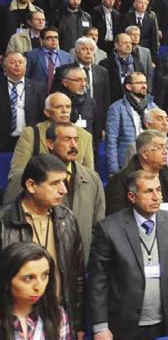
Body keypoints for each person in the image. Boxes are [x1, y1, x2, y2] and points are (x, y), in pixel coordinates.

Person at [87, 169, 168, 339]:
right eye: (149, 191)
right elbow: (98, 280)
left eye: (158, 190)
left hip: (167, 321)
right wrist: (100, 326)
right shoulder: (108, 229)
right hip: (124, 323)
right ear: (131, 197)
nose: (157, 197)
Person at [0, 155, 84, 334]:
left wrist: (78, 323)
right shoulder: (3, 222)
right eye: (55, 184)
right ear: (31, 185)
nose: (63, 190)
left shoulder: (67, 219)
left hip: (57, 318)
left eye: (64, 182)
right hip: (11, 322)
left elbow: (76, 276)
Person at [3, 122, 105, 263]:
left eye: (76, 140)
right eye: (66, 139)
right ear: (50, 144)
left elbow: (98, 226)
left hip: (76, 265)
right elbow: (9, 219)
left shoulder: (92, 178)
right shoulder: (23, 177)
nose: (74, 145)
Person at [0, 242, 72, 340]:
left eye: (45, 275)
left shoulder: (57, 315)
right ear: (7, 281)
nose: (39, 286)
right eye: (29, 278)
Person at [106, 130, 168, 216]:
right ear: (144, 153)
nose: (165, 152)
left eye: (166, 147)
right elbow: (116, 219)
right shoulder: (121, 181)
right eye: (160, 148)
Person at [104, 71, 155, 175]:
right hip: (127, 163)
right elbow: (111, 141)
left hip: (150, 161)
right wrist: (114, 171)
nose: (144, 86)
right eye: (140, 83)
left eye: (145, 83)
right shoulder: (116, 108)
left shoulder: (153, 107)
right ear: (128, 86)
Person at [0, 52, 46, 153]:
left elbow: (43, 114)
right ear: (4, 67)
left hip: (30, 139)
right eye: (12, 62)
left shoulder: (38, 87)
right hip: (3, 140)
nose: (17, 65)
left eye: (20, 62)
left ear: (26, 66)